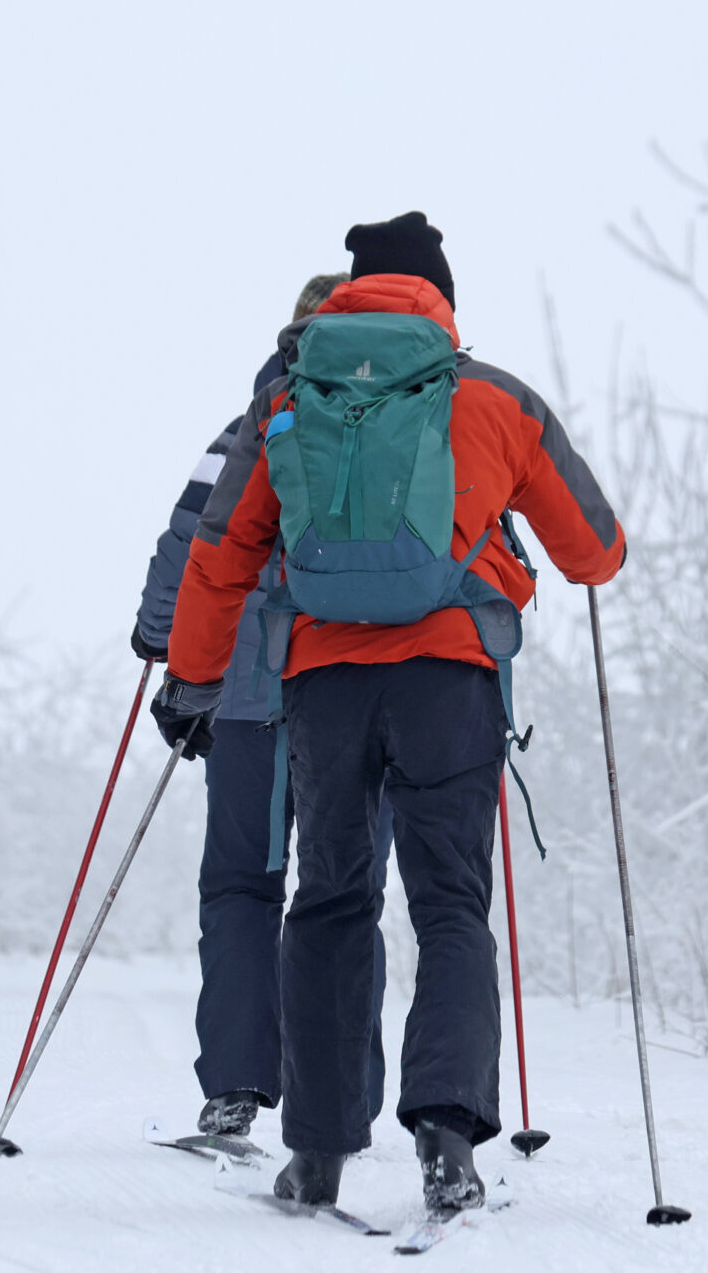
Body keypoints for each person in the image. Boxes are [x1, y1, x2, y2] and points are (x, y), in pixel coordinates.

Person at [153, 213, 625, 1215]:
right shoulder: (492, 396)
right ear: (439, 297)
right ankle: (447, 1139)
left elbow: (223, 551)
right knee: (449, 905)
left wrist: (194, 678)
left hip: (323, 686)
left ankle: (316, 1153)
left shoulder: (286, 399)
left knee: (329, 900)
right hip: (449, 681)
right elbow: (594, 550)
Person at [132, 274, 394, 1141]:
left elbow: (190, 537)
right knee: (345, 890)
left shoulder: (251, 423)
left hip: (247, 691)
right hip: (361, 690)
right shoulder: (408, 426)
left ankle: (237, 1087)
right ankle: (348, 1094)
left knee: (243, 884)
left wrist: (158, 642)